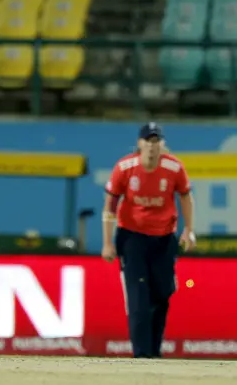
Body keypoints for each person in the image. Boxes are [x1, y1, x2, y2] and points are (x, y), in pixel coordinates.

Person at [101, 122, 196, 358]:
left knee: (163, 294)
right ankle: (142, 356)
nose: (152, 146)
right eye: (148, 141)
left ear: (162, 144)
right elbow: (110, 205)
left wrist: (189, 230)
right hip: (132, 237)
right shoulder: (125, 167)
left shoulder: (174, 168)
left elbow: (186, 197)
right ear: (140, 144)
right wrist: (107, 242)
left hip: (163, 237)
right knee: (138, 297)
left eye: (156, 141)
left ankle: (154, 352)